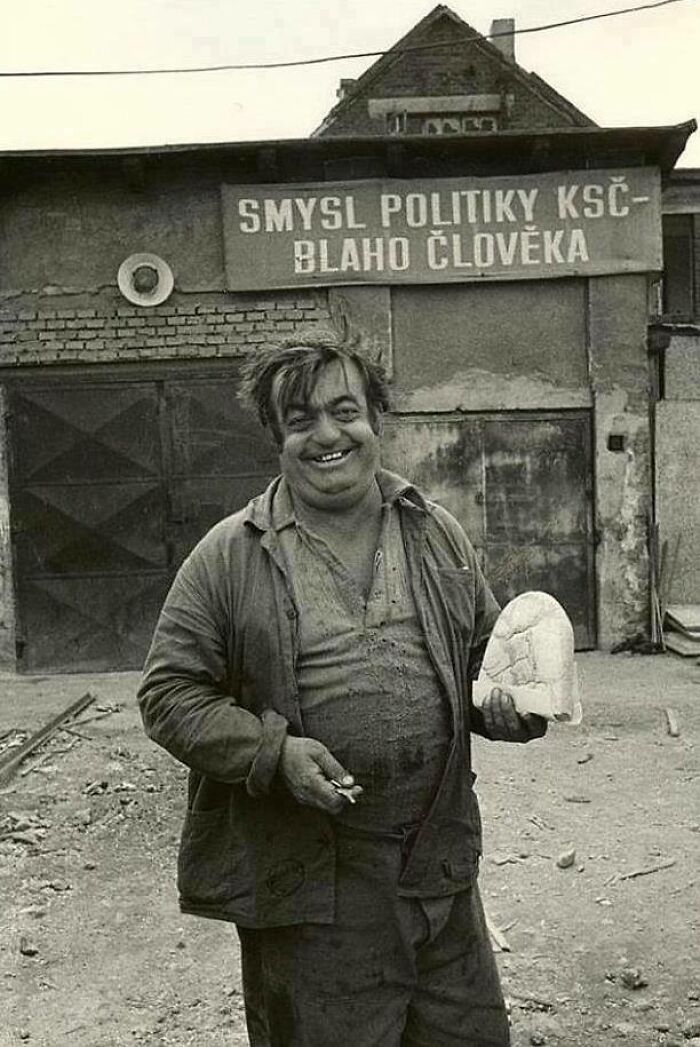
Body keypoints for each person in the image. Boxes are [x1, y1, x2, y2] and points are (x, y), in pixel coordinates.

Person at [137, 336, 547, 1047]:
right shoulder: (230, 555)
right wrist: (274, 752)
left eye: (344, 410)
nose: (327, 434)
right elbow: (168, 694)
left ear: (376, 420)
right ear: (278, 438)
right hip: (314, 889)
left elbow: (484, 661)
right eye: (300, 420)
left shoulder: (436, 533)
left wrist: (513, 707)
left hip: (437, 868)